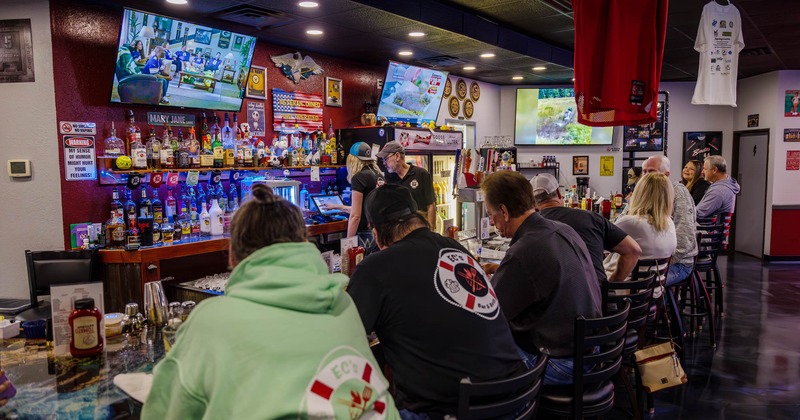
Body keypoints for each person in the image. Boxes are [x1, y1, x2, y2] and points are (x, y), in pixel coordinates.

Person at [143, 184, 398, 419]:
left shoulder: (211, 322)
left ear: (232, 254)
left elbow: (164, 412)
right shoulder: (342, 304)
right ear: (304, 242)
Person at [347, 184, 525, 418]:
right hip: (517, 398)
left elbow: (344, 339)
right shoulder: (456, 248)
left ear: (376, 233)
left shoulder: (375, 268)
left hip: (453, 412)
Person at [481, 171, 602, 385]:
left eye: (491, 215)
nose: (492, 222)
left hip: (563, 365)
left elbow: (491, 314)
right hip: (593, 351)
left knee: (481, 349)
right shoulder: (564, 230)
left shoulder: (523, 251)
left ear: (504, 211)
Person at [531, 173, 641, 282]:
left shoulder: (531, 227)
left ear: (532, 202)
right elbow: (633, 250)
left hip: (556, 293)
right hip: (597, 291)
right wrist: (613, 282)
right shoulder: (591, 217)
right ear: (559, 193)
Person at [604, 173, 677, 290]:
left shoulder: (631, 222)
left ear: (639, 193)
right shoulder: (669, 223)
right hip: (654, 292)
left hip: (626, 292)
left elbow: (600, 245)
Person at [642, 155, 698, 287]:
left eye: (651, 171)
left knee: (642, 284)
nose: (646, 176)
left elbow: (684, 240)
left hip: (677, 264)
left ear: (666, 174)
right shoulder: (643, 192)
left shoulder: (678, 193)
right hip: (648, 261)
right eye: (644, 171)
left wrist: (658, 263)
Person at [323, 142, 384, 253]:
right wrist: (337, 206)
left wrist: (348, 244)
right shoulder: (378, 174)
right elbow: (363, 208)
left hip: (365, 236)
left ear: (352, 159)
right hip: (380, 233)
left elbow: (356, 216)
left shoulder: (359, 178)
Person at [378, 141, 436, 227]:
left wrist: (430, 230)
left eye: (386, 159)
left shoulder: (421, 174)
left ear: (397, 156)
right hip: (399, 230)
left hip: (419, 229)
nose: (384, 163)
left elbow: (431, 205)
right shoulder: (388, 180)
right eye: (383, 160)